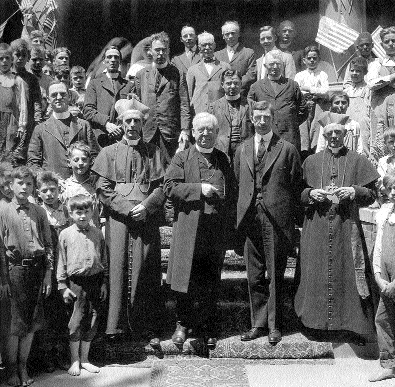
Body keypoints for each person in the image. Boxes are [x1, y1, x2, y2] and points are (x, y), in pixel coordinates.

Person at [295, 120, 379, 343]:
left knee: (347, 275)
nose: (333, 136)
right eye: (329, 132)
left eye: (338, 133)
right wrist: (310, 194)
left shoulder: (357, 160)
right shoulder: (311, 161)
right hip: (317, 228)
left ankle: (349, 327)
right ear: (323, 135)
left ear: (345, 134)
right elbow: (297, 193)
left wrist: (353, 190)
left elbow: (371, 194)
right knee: (316, 273)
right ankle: (315, 326)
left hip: (345, 226)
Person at [92, 98, 166, 346]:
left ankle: (146, 327)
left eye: (137, 120)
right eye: (128, 121)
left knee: (147, 271)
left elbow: (161, 187)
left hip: (145, 219)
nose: (132, 124)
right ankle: (116, 326)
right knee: (118, 267)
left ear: (143, 123)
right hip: (119, 219)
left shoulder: (154, 152)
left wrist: (146, 207)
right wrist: (126, 208)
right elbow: (102, 188)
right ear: (120, 124)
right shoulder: (108, 152)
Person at [164, 112, 235, 348]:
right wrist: (199, 189)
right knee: (185, 277)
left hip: (213, 230)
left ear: (217, 133)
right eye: (201, 129)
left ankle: (207, 326)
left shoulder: (223, 159)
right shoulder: (182, 158)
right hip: (188, 227)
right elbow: (169, 187)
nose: (205, 134)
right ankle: (182, 324)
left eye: (210, 130)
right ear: (193, 132)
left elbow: (232, 192)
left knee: (210, 279)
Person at [234, 101, 302, 344]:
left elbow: (296, 188)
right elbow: (237, 184)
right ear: (251, 119)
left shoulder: (287, 149)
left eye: (266, 117)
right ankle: (258, 324)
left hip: (276, 219)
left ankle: (275, 325)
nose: (261, 121)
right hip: (250, 218)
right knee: (254, 275)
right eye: (257, 117)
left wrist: (292, 223)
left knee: (274, 273)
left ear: (273, 119)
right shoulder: (242, 149)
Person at [0, 166, 53, 387]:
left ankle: (23, 366)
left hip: (36, 271)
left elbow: (48, 246)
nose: (24, 187)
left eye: (29, 183)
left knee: (31, 322)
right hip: (14, 272)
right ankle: (11, 369)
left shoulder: (39, 212)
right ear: (10, 186)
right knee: (14, 324)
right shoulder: (3, 211)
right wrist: (3, 280)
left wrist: (48, 275)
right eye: (20, 183)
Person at [57, 194, 107, 377]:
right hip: (76, 284)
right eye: (78, 212)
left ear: (92, 212)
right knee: (76, 322)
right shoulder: (65, 234)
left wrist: (104, 283)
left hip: (95, 281)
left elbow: (104, 259)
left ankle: (85, 359)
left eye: (87, 211)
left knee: (92, 321)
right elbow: (61, 261)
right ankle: (74, 360)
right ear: (70, 213)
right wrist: (62, 286)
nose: (83, 216)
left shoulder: (97, 233)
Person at [134, 31, 191, 164]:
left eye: (163, 50)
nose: (160, 53)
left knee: (170, 169)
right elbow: (138, 103)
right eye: (157, 50)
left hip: (170, 133)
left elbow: (184, 104)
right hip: (147, 131)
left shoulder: (178, 74)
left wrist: (185, 130)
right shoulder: (141, 75)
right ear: (150, 51)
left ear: (168, 51)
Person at [28, 81, 99, 180]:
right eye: (54, 95)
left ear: (69, 96)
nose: (59, 97)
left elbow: (95, 156)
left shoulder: (84, 125)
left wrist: (87, 179)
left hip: (81, 186)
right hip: (54, 189)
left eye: (62, 94)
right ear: (48, 99)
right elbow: (33, 163)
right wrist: (48, 180)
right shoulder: (40, 129)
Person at [248, 49, 307, 151]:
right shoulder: (256, 87)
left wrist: (290, 122)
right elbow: (250, 112)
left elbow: (303, 110)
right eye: (271, 64)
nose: (275, 67)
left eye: (278, 64)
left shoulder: (292, 85)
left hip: (289, 136)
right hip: (265, 136)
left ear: (282, 65)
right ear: (265, 66)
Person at [369, 173, 395, 382]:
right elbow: (378, 247)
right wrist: (378, 275)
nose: (394, 192)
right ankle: (389, 364)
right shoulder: (385, 213)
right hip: (386, 275)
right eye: (391, 188)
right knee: (383, 318)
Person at [84, 45, 133, 148]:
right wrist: (106, 123)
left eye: (116, 57)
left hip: (122, 137)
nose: (113, 60)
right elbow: (88, 110)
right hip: (99, 138)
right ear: (104, 61)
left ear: (120, 61)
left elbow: (132, 111)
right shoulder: (94, 84)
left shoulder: (128, 85)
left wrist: (120, 128)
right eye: (109, 57)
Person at [208, 69, 253, 164]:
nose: (232, 86)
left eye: (236, 83)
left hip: (246, 152)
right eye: (228, 83)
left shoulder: (251, 105)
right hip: (221, 152)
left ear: (241, 84)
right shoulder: (214, 107)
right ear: (222, 85)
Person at [10, 39, 42, 163]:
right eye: (17, 55)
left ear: (28, 58)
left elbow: (37, 102)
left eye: (24, 56)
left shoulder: (32, 79)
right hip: (9, 123)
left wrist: (37, 121)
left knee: (22, 155)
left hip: (27, 124)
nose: (20, 58)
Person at [294, 45, 329, 155]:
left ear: (319, 59)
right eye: (309, 58)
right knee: (304, 131)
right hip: (303, 106)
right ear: (304, 60)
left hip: (318, 105)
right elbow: (297, 91)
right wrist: (315, 91)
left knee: (316, 130)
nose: (312, 60)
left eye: (315, 58)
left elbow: (325, 91)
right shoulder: (300, 76)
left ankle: (315, 150)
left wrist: (309, 88)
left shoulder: (322, 75)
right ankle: (304, 152)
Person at [186, 31, 231, 115]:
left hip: (220, 112)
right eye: (203, 45)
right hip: (199, 112)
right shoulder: (192, 70)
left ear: (214, 45)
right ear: (199, 47)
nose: (207, 47)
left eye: (210, 44)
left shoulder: (225, 67)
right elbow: (190, 94)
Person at [366, 27, 395, 155]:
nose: (391, 44)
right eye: (387, 41)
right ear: (382, 44)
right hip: (382, 108)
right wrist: (391, 77)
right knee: (383, 142)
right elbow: (371, 84)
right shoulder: (376, 64)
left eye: (394, 40)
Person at [0, 43, 27, 165]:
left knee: (8, 151)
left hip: (11, 120)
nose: (4, 61)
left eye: (7, 58)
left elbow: (22, 104)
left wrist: (22, 125)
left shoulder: (17, 80)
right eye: (1, 59)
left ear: (12, 60)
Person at [61, 141, 100, 228]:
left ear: (90, 161)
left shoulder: (95, 186)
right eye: (76, 160)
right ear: (69, 162)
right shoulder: (64, 187)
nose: (81, 163)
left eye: (84, 159)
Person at [214, 21, 256, 94]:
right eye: (227, 34)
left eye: (233, 33)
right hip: (222, 96)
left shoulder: (248, 53)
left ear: (238, 34)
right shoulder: (217, 55)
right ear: (223, 36)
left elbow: (251, 75)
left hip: (242, 95)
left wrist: (235, 85)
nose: (230, 36)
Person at [343, 57, 371, 158]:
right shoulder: (346, 91)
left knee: (363, 148)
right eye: (352, 70)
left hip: (362, 123)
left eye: (358, 71)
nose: (354, 73)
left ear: (365, 73)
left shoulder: (367, 89)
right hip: (349, 121)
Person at [29, 46, 53, 115]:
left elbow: (52, 100)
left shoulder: (49, 80)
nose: (38, 62)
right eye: (34, 59)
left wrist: (47, 115)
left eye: (41, 59)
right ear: (28, 59)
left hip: (44, 116)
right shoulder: (23, 78)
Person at [377, 128, 395, 201]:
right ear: (386, 144)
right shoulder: (383, 162)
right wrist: (389, 193)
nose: (394, 145)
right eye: (391, 142)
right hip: (388, 198)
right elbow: (380, 184)